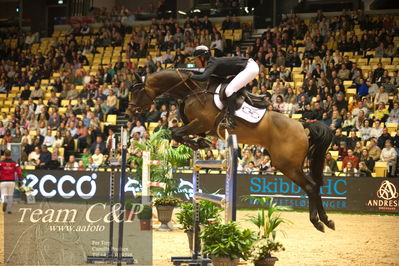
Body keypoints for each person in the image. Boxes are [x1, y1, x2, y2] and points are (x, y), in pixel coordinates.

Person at [190, 45, 259, 129]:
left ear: (202, 57)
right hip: (247, 67)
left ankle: (232, 120)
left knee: (229, 90)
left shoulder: (212, 62)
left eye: (196, 59)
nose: (195, 62)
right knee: (229, 87)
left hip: (250, 67)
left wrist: (189, 76)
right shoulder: (212, 63)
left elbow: (203, 77)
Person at [0, 150, 22, 214]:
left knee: (3, 194)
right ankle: (9, 210)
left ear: (4, 155)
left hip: (3, 181)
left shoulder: (1, 163)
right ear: (10, 155)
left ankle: (4, 201)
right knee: (10, 195)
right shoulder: (15, 163)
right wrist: (20, 179)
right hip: (11, 181)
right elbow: (19, 172)